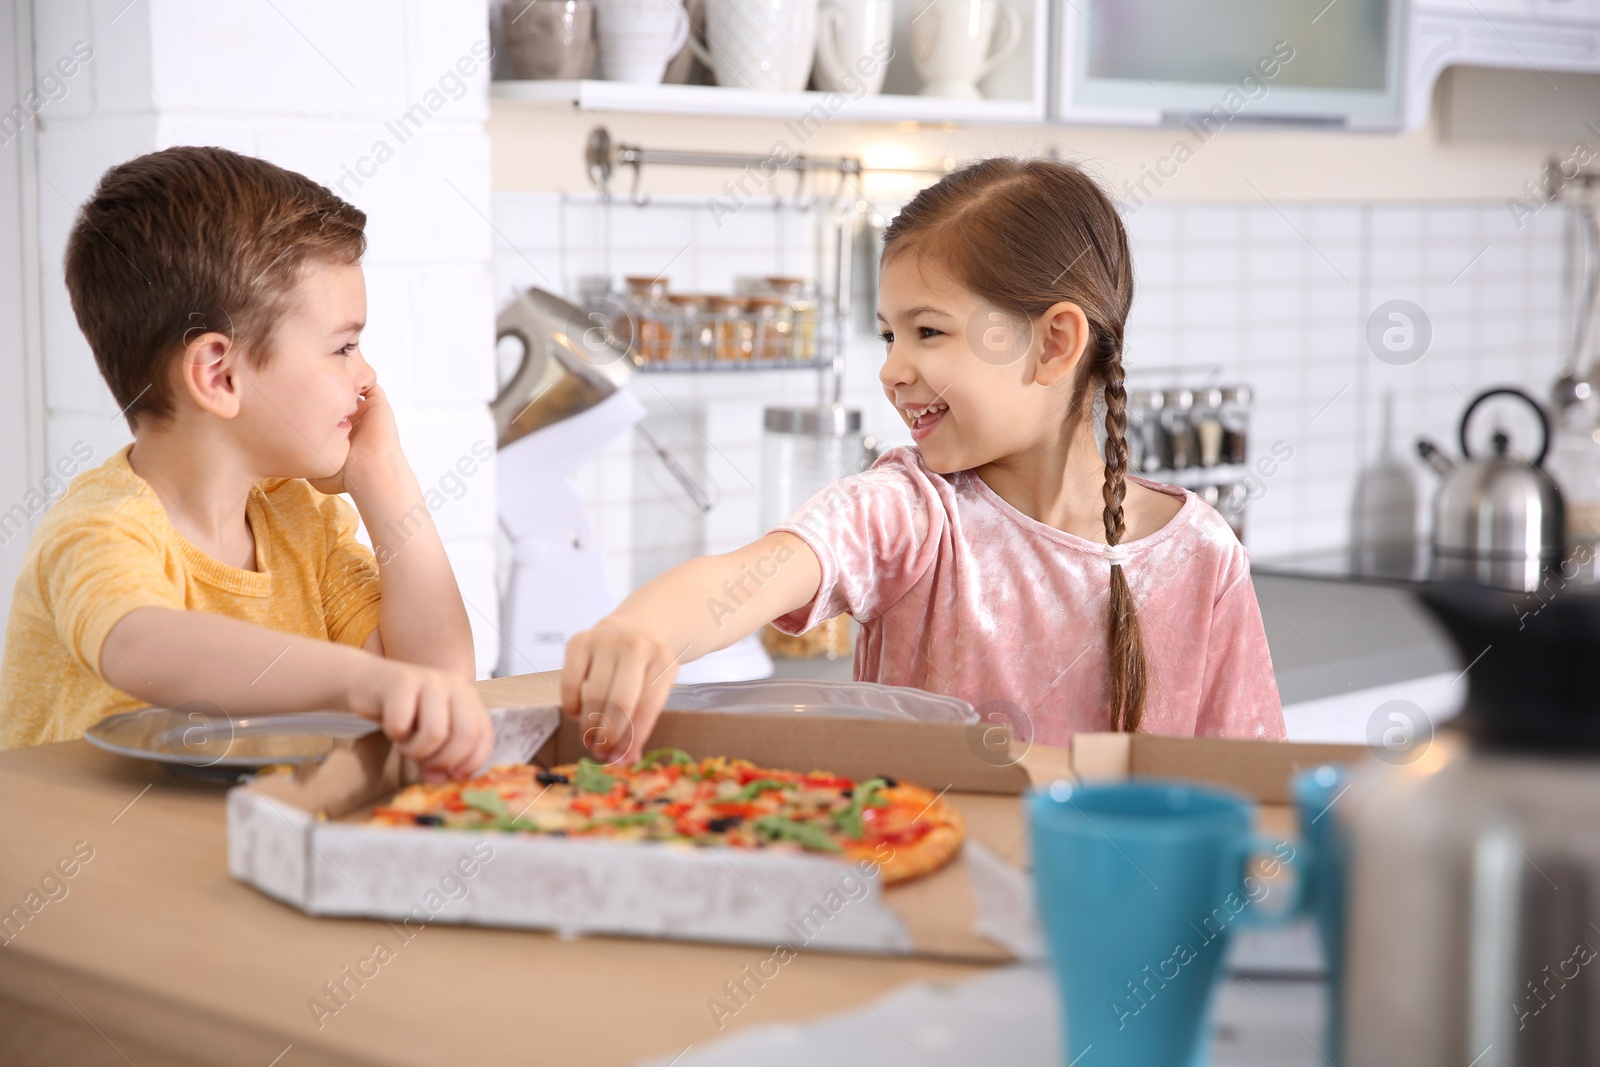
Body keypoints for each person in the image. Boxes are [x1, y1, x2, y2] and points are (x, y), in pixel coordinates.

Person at [561, 157, 1285, 761]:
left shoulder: (1204, 557)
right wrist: (647, 628)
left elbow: (1248, 790)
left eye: (927, 331)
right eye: (887, 336)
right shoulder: (911, 511)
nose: (892, 370)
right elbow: (751, 576)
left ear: (1054, 343)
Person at [0, 146, 491, 781]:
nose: (367, 376)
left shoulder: (301, 521)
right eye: (343, 347)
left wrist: (384, 473)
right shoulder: (102, 528)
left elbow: (436, 686)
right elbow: (142, 646)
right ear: (219, 374)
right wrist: (363, 683)